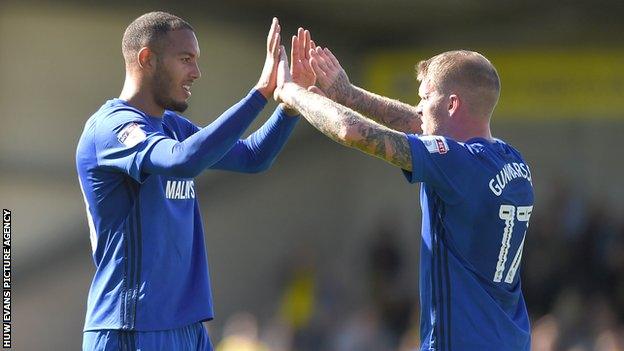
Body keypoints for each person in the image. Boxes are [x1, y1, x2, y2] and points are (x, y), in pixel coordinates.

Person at [275, 41, 535, 350]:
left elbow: (351, 131)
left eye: (425, 97)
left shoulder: (454, 162)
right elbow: (417, 122)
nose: (420, 106)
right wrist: (347, 94)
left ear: (452, 104)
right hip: (510, 340)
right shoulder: (511, 160)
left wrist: (294, 95)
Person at [76, 12, 305, 350]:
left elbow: (254, 157)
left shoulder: (171, 126)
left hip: (188, 328)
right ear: (147, 59)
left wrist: (289, 106)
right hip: (131, 329)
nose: (196, 72)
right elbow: (183, 161)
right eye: (186, 59)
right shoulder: (110, 129)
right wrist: (259, 94)